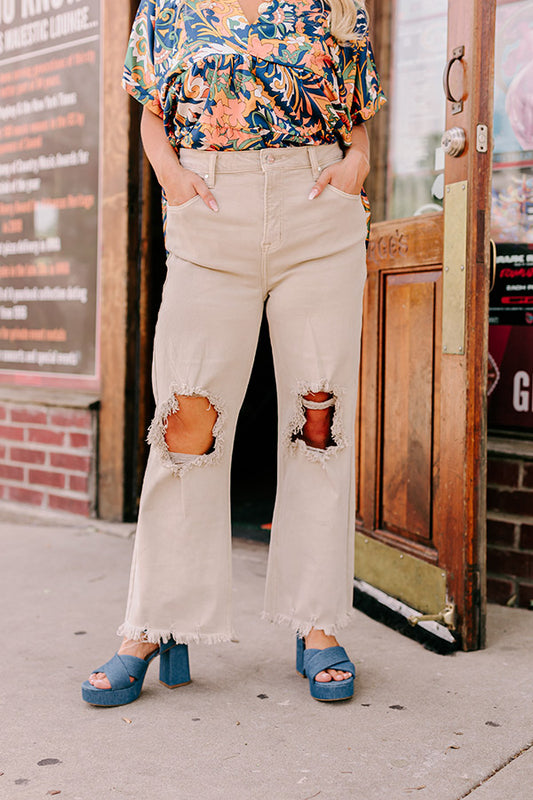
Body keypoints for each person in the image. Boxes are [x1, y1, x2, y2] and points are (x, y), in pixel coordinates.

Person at [82, 0, 385, 706]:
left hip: (316, 202)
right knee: (186, 424)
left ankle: (317, 624)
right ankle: (153, 621)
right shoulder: (166, 9)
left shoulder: (329, 6)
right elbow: (151, 111)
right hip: (209, 204)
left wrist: (358, 162)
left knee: (319, 421)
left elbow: (354, 108)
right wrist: (172, 178)